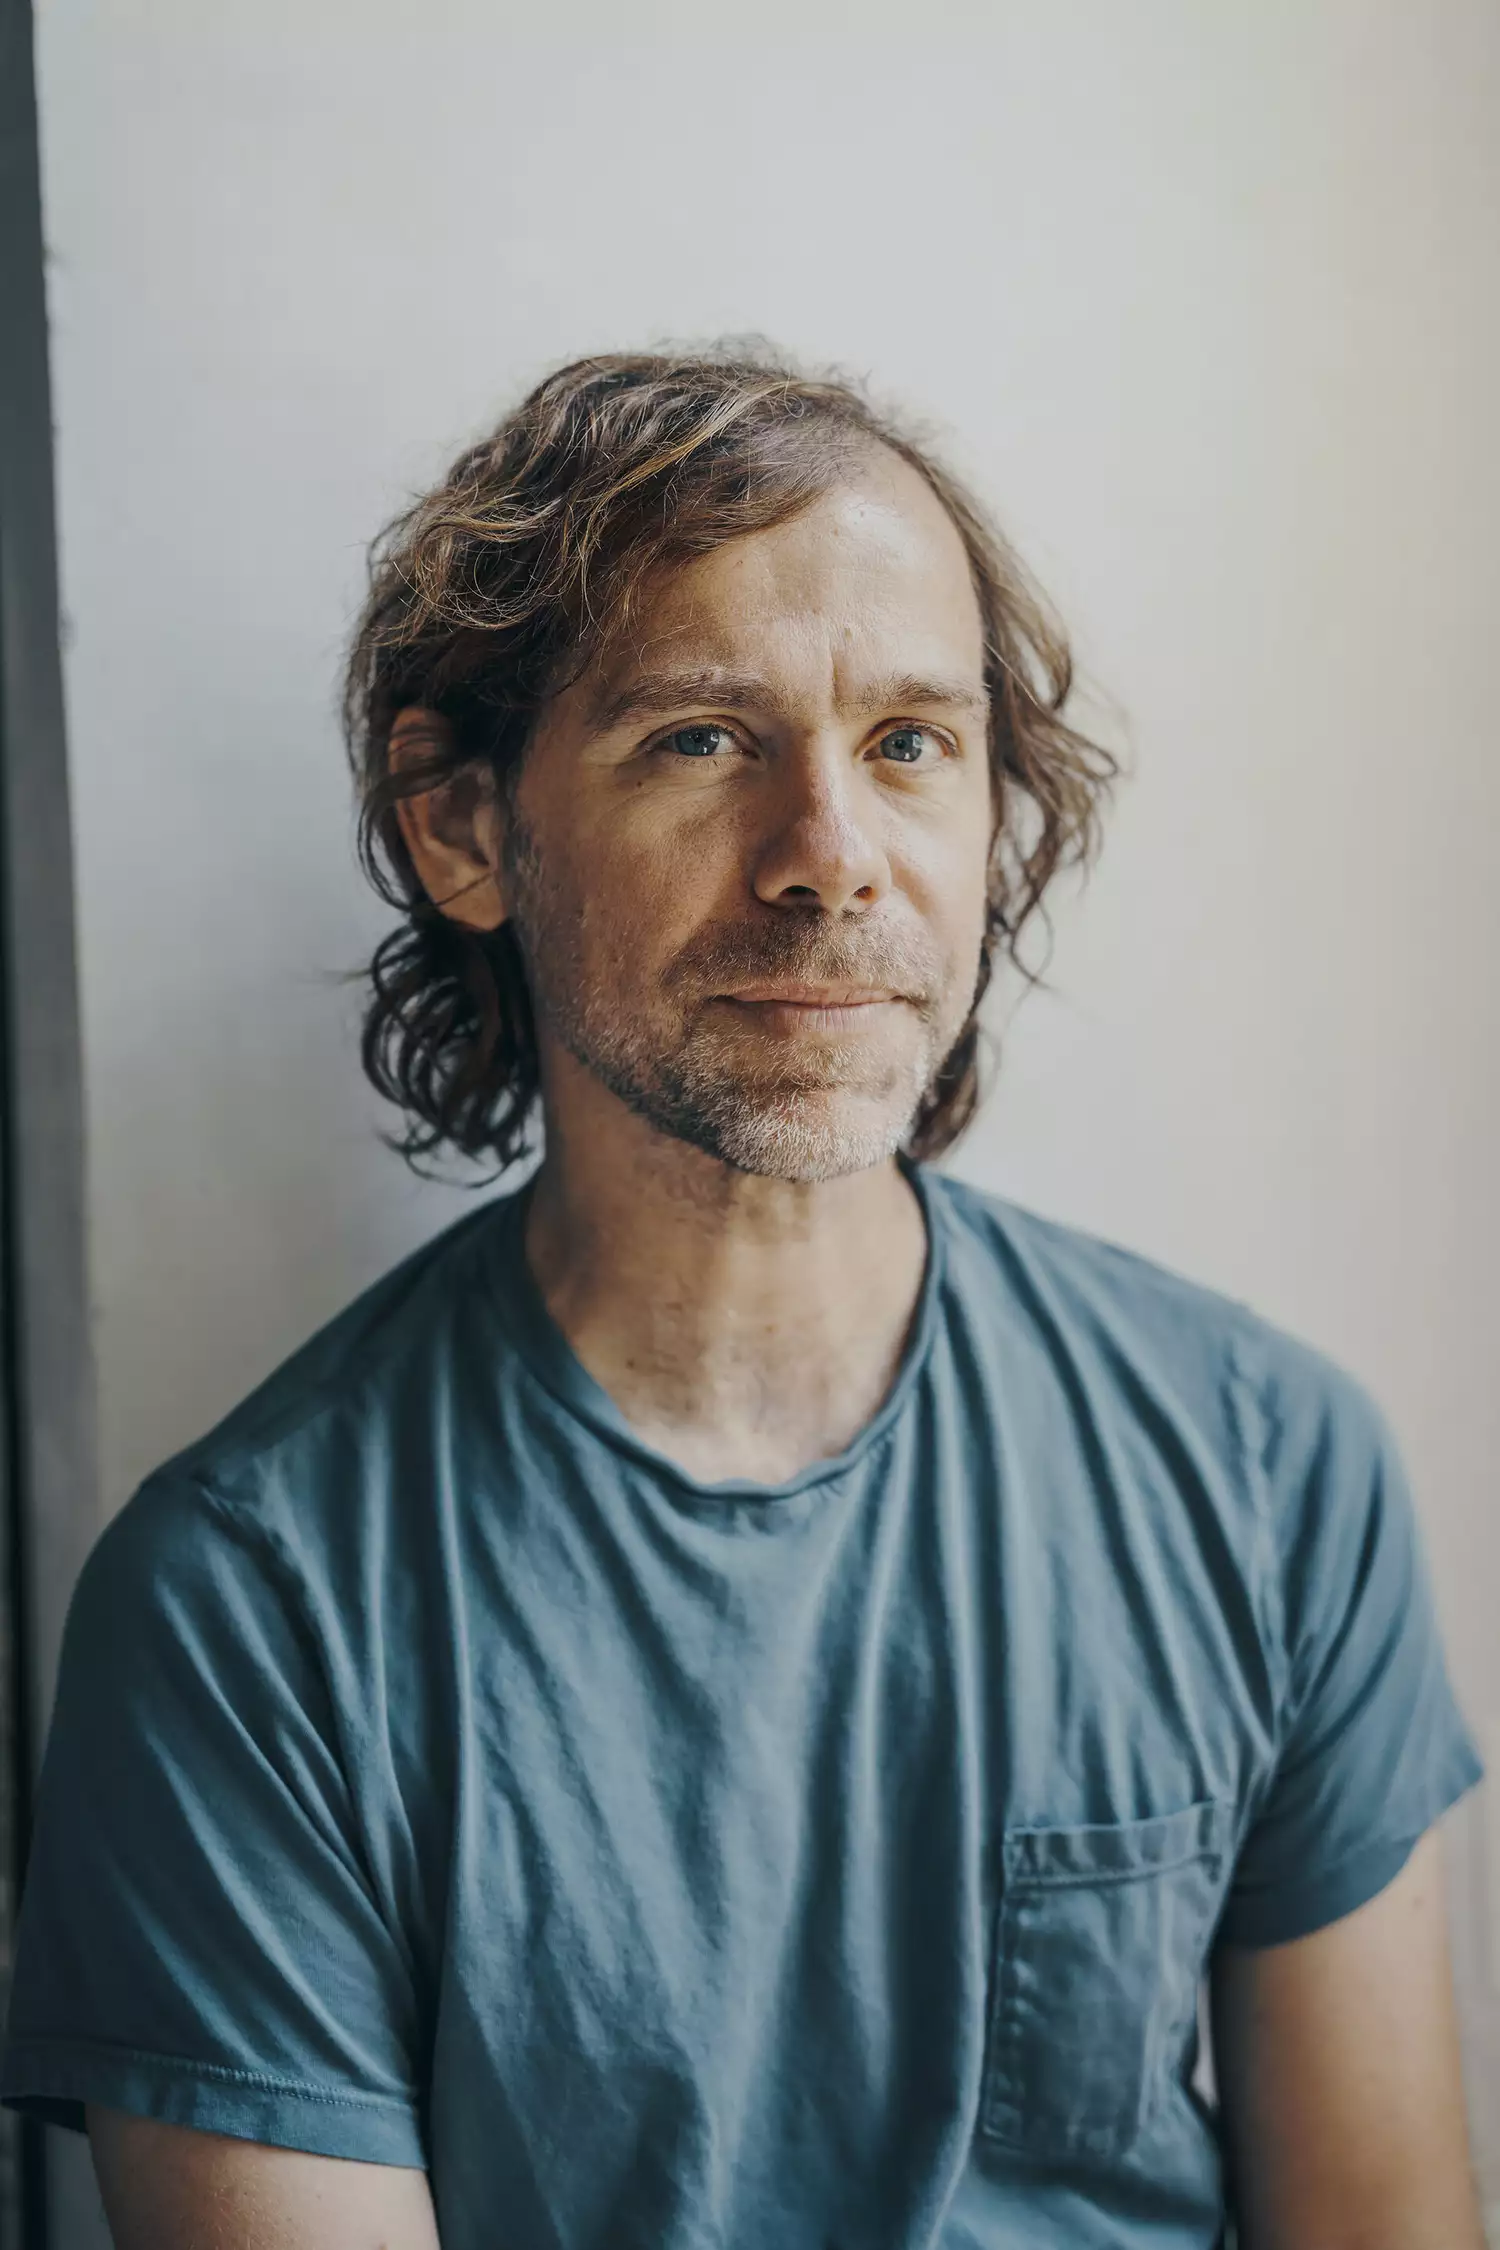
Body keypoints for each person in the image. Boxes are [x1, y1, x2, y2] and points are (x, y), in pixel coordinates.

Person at [0, 347, 1487, 2250]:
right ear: (461, 827)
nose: (831, 859)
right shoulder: (247, 1617)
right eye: (703, 737)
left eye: (908, 743)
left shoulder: (1271, 1467)